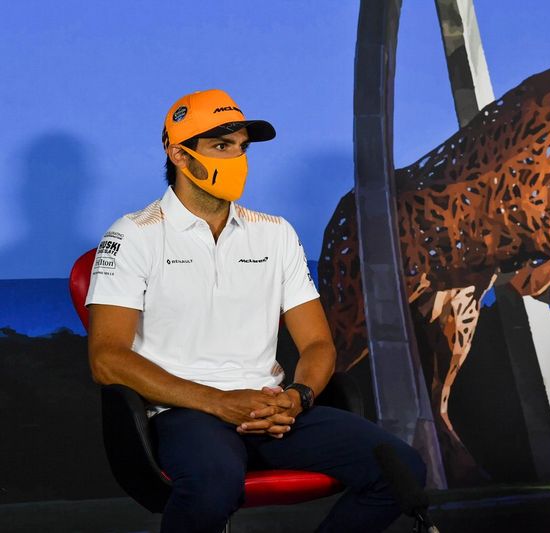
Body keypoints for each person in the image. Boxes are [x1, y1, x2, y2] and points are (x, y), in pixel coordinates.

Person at [85, 88, 426, 533]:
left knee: (400, 468)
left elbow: (318, 342)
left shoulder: (275, 234)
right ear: (179, 154)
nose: (238, 159)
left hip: (272, 409)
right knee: (212, 485)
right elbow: (107, 358)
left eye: (242, 148)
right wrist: (219, 403)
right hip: (185, 412)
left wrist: (297, 397)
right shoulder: (133, 234)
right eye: (221, 146)